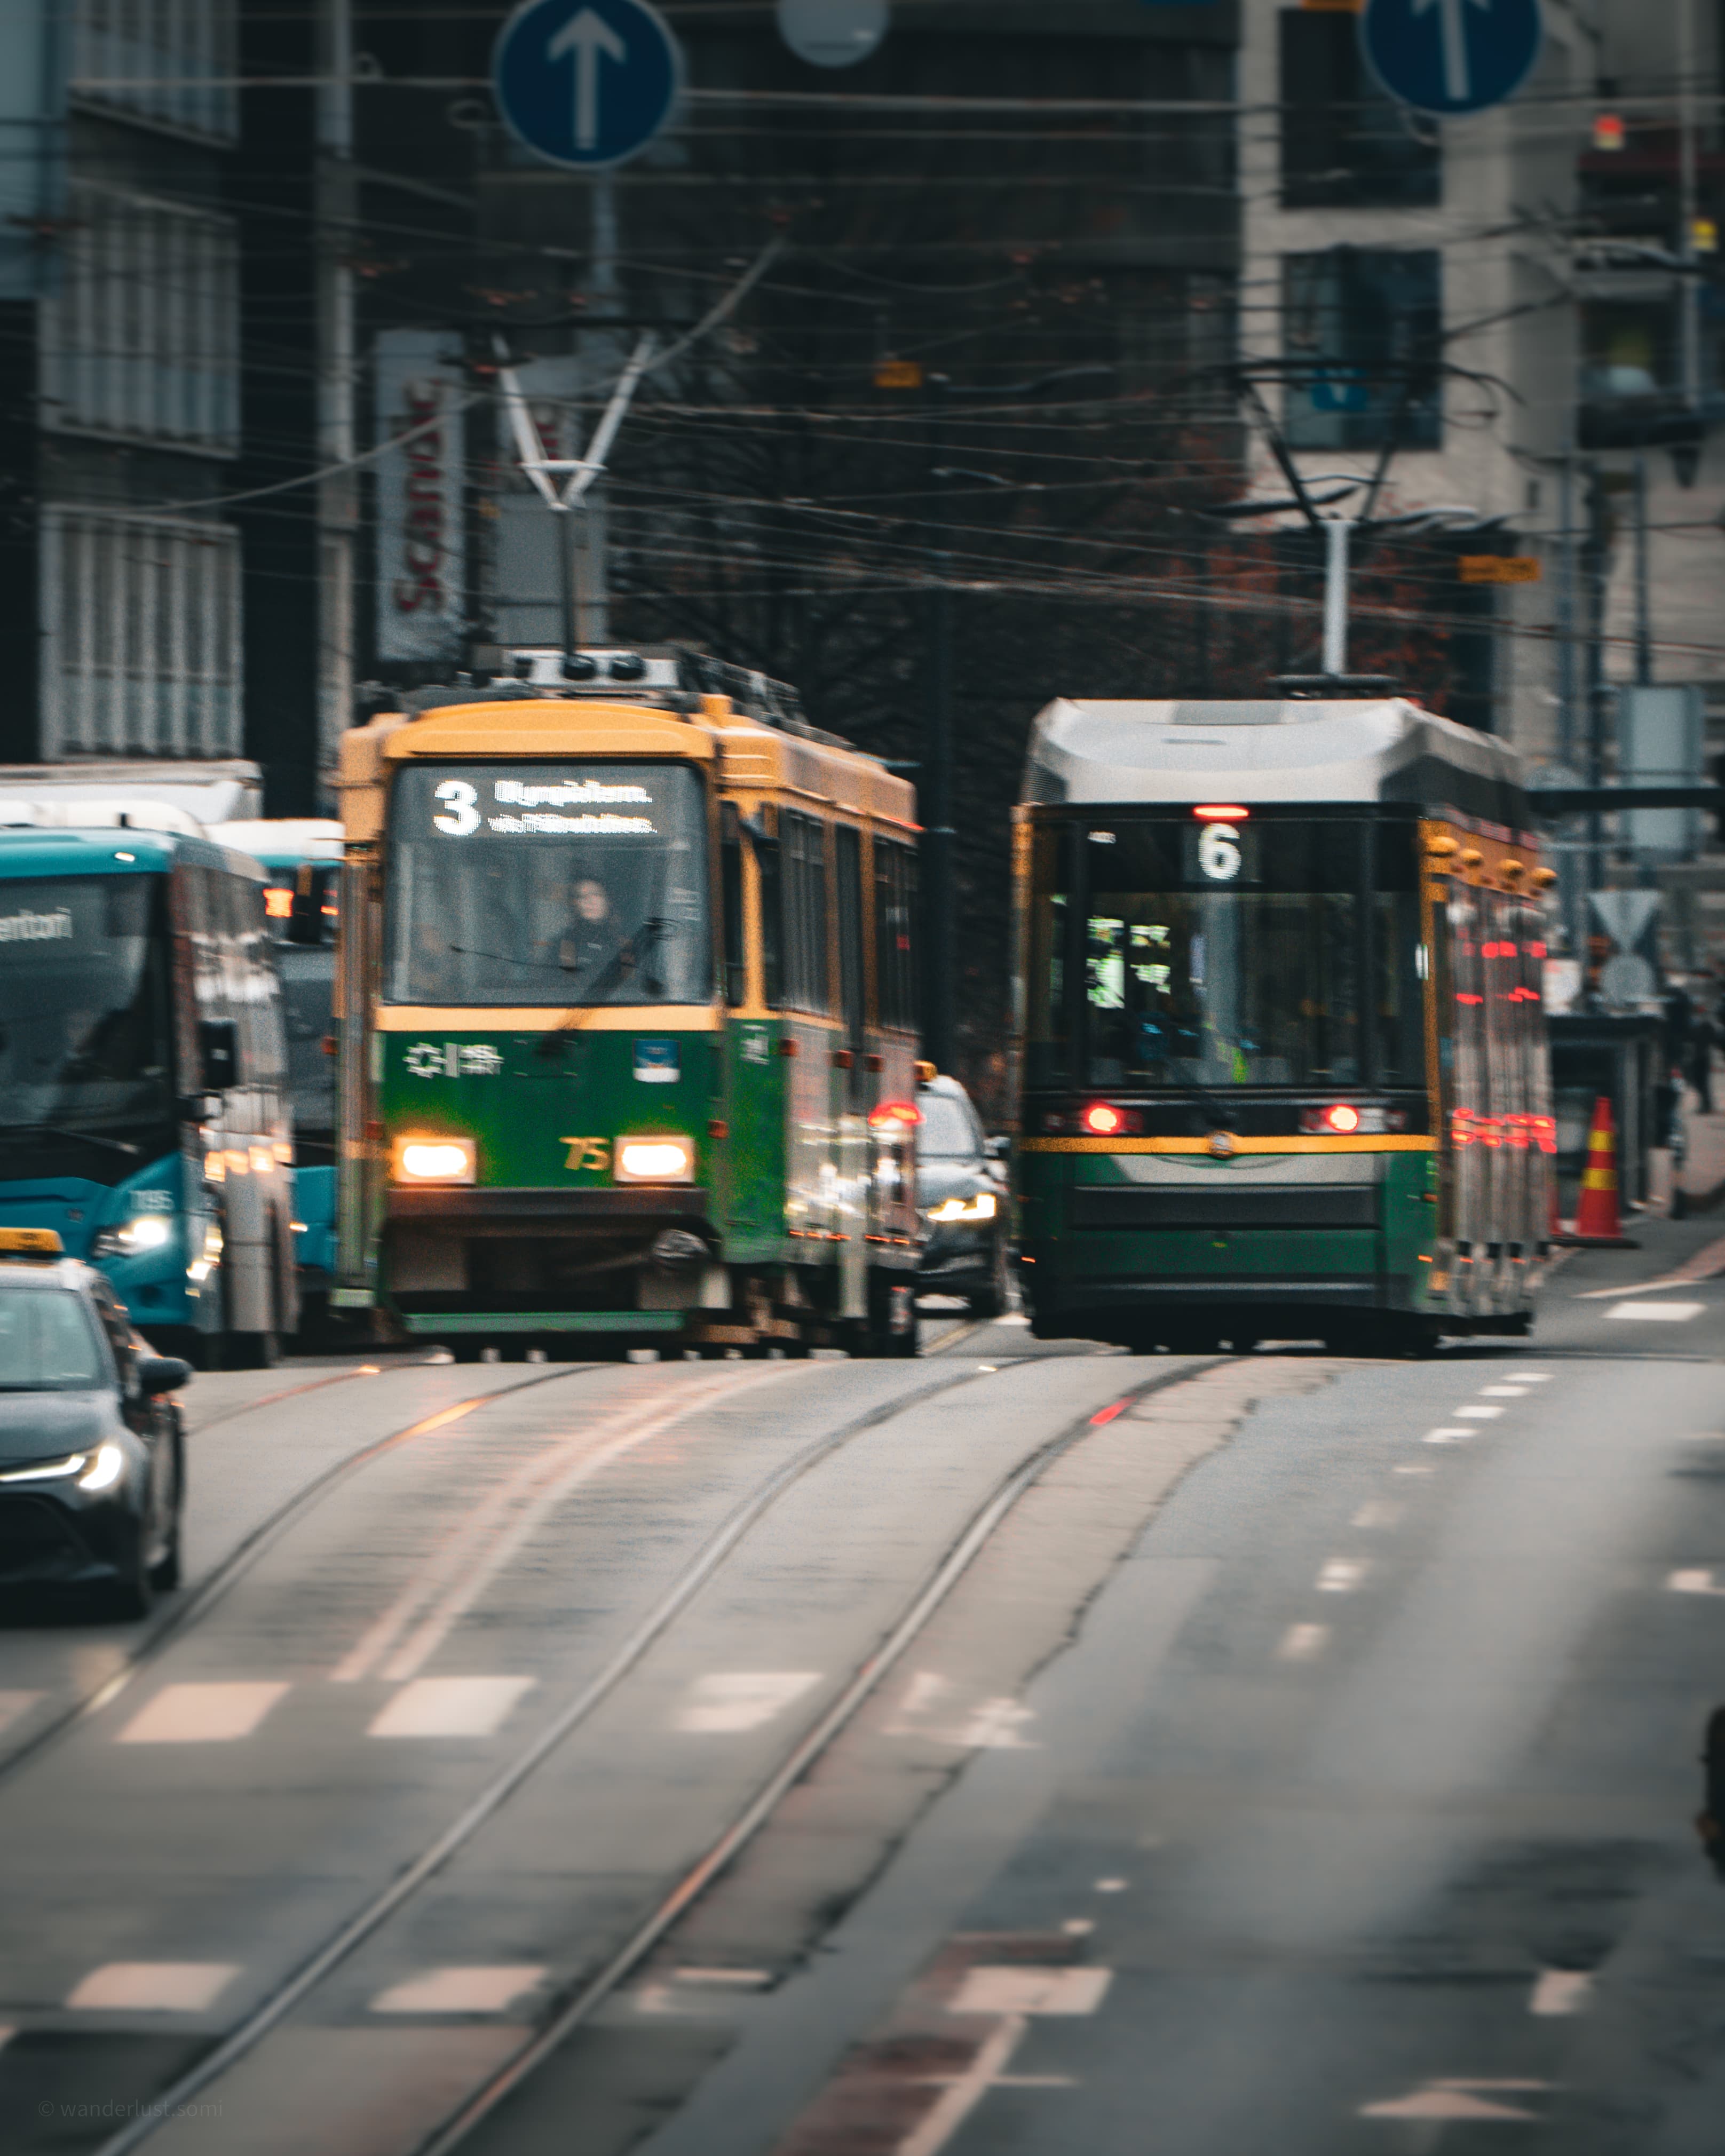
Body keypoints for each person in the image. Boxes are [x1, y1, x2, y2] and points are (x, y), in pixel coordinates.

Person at [558, 875, 627, 992]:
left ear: (608, 901)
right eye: (582, 897)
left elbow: (633, 985)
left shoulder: (624, 942)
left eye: (596, 894)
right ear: (576, 904)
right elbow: (555, 987)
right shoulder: (564, 944)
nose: (590, 901)